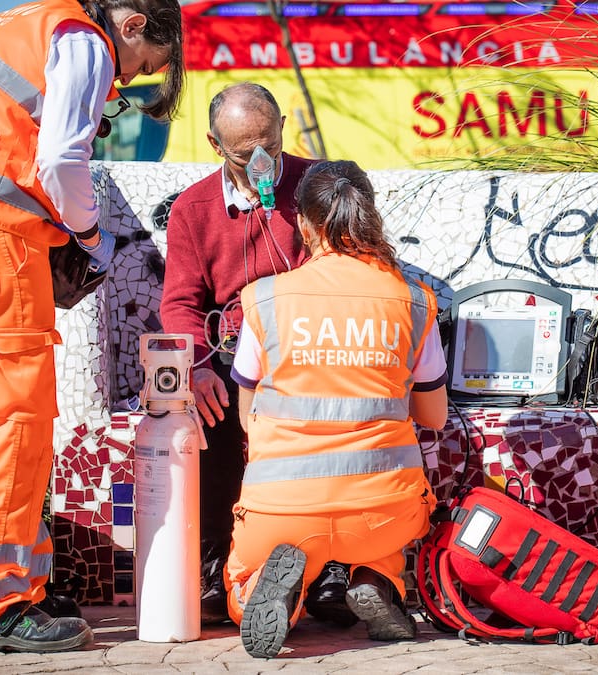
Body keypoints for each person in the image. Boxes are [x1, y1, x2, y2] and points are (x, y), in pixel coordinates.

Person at [0, 0, 184, 654]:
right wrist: (90, 235)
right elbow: (60, 158)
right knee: (15, 421)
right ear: (132, 24)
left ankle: (14, 582)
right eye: (143, 67)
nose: (127, 81)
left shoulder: (19, 23)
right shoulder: (84, 40)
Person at [224, 159, 448, 658]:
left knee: (242, 574)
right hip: (379, 514)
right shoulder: (412, 300)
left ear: (304, 223)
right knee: (389, 546)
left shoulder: (264, 300)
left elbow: (247, 418)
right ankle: (379, 580)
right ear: (367, 215)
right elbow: (434, 416)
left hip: (281, 510)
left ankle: (263, 587)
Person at [159, 82, 350, 626]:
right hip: (229, 349)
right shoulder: (194, 210)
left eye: (270, 143)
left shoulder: (321, 186)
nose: (263, 162)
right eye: (246, 154)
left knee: (330, 419)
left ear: (283, 128)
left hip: (313, 345)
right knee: (210, 418)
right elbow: (179, 305)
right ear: (215, 146)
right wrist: (196, 368)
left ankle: (332, 566)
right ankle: (217, 563)